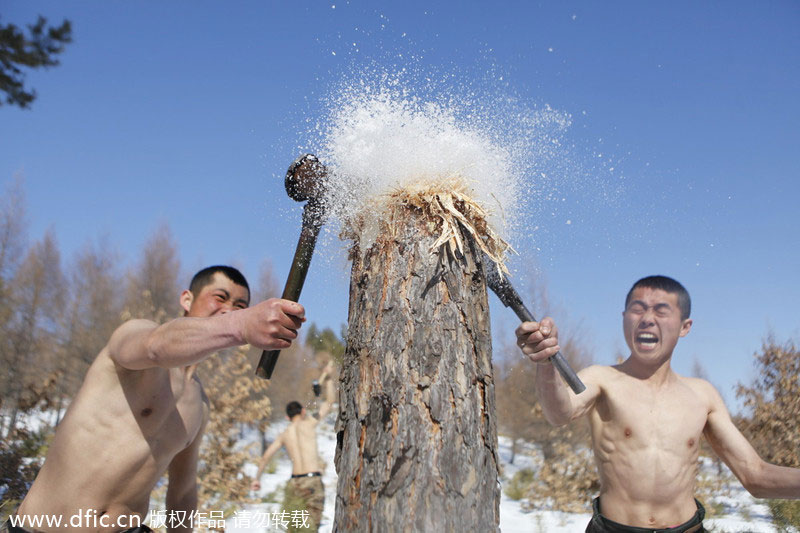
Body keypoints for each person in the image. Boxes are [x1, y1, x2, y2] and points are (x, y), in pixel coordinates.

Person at [11, 266, 305, 533]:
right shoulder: (136, 338)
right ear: (187, 300)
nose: (229, 311)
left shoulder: (200, 405)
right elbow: (156, 346)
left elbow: (182, 491)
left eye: (240, 306)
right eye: (220, 298)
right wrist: (240, 325)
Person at [516, 275, 800, 533]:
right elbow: (559, 412)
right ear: (624, 317)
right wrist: (546, 362)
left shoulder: (703, 395)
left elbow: (756, 476)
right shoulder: (602, 379)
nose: (647, 318)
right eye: (637, 309)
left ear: (685, 326)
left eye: (661, 310)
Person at [251, 362, 336, 532]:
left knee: (294, 529)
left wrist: (257, 479)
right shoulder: (310, 423)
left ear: (287, 417)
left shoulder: (284, 434)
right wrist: (328, 379)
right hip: (313, 482)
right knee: (311, 529)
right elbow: (330, 401)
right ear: (303, 412)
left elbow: (266, 457)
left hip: (295, 483)